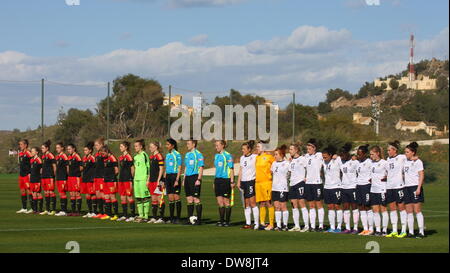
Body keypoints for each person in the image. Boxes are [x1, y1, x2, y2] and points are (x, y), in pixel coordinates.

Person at [385, 140, 408, 238]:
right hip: (389, 186)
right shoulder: (388, 159)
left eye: (389, 150)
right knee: (392, 209)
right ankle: (394, 230)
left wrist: (416, 157)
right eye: (387, 150)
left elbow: (411, 158)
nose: (388, 152)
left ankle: (403, 230)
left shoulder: (402, 157)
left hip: (399, 186)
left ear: (395, 150)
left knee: (401, 208)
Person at [403, 142, 425, 238]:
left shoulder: (418, 162)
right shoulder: (405, 160)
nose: (405, 154)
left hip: (415, 186)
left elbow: (421, 175)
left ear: (413, 152)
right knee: (409, 211)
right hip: (406, 187)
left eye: (407, 152)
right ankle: (411, 232)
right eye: (405, 152)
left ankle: (421, 232)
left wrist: (419, 188)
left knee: (417, 210)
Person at [368, 146, 389, 236]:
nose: (371, 156)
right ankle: (377, 229)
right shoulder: (371, 163)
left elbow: (391, 173)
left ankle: (384, 230)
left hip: (382, 189)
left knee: (383, 209)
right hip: (373, 189)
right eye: (370, 154)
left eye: (372, 154)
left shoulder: (384, 163)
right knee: (375, 210)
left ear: (378, 153)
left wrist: (387, 177)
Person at [304, 138, 325, 232]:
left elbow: (328, 158)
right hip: (308, 183)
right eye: (307, 147)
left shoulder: (319, 155)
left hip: (317, 183)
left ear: (314, 148)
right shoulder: (305, 157)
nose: (308, 149)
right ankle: (312, 226)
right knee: (311, 205)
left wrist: (334, 156)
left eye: (309, 147)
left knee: (319, 204)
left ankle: (320, 225)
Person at [287, 143, 309, 232]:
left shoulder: (302, 159)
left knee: (302, 204)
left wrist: (306, 178)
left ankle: (307, 226)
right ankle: (297, 226)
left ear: (296, 150)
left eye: (291, 149)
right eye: (289, 149)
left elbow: (308, 168)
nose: (290, 151)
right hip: (292, 184)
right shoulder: (291, 161)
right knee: (293, 205)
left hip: (300, 183)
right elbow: (289, 172)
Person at [237, 140, 258, 230]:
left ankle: (256, 223)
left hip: (251, 181)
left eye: (244, 149)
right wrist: (239, 181)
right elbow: (241, 170)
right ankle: (248, 223)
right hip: (244, 182)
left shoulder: (255, 157)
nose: (243, 150)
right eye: (242, 149)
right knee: (246, 203)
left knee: (252, 202)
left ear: (249, 149)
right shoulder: (242, 158)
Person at [182, 139, 204, 225]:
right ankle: (189, 219)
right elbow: (186, 167)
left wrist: (199, 179)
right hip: (187, 178)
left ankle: (199, 220)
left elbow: (201, 167)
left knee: (196, 198)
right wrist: (184, 178)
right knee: (189, 199)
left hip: (195, 177)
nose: (187, 145)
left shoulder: (198, 154)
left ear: (193, 144)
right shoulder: (187, 155)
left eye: (188, 143)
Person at [339, 143, 359, 234]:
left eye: (343, 154)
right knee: (345, 207)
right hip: (344, 187)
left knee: (354, 207)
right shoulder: (340, 161)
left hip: (353, 187)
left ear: (347, 154)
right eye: (340, 155)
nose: (341, 156)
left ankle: (355, 228)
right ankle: (347, 228)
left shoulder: (355, 162)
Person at [322, 145, 343, 233]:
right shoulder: (323, 162)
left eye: (326, 157)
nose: (324, 158)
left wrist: (337, 156)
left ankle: (339, 227)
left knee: (337, 206)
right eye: (323, 157)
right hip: (327, 187)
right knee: (330, 207)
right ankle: (332, 227)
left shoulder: (337, 160)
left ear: (330, 155)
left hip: (336, 187)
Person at [255, 141, 275, 231]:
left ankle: (271, 223)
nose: (257, 148)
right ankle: (262, 223)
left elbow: (276, 164)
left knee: (268, 202)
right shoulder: (257, 157)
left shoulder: (269, 157)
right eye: (257, 147)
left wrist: (271, 172)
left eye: (258, 147)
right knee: (261, 203)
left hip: (267, 183)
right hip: (258, 183)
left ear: (263, 148)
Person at [214, 140, 234, 227]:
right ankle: (221, 221)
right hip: (217, 180)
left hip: (226, 180)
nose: (216, 147)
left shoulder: (228, 156)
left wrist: (232, 181)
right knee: (219, 202)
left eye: (217, 145)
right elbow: (217, 169)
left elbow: (231, 169)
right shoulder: (216, 156)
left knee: (226, 201)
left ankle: (227, 221)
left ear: (222, 145)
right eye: (215, 145)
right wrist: (214, 181)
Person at [271, 145, 290, 231]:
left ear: (281, 155)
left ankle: (285, 225)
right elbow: (272, 173)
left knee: (283, 207)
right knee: (277, 206)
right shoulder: (274, 164)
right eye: (274, 154)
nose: (274, 156)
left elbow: (290, 174)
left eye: (276, 154)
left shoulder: (286, 163)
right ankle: (278, 225)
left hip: (283, 188)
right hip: (274, 188)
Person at [164, 138, 183, 224]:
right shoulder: (168, 155)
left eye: (168, 144)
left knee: (176, 197)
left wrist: (177, 179)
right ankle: (172, 218)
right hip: (168, 177)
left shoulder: (177, 154)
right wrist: (164, 179)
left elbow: (179, 168)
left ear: (173, 145)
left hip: (175, 176)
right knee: (170, 198)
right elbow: (166, 167)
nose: (166, 146)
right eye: (166, 144)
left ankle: (178, 218)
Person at [355, 144, 373, 235]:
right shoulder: (357, 162)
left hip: (366, 186)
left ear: (365, 154)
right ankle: (365, 229)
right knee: (361, 207)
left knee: (367, 206)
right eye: (357, 154)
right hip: (359, 186)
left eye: (360, 154)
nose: (358, 156)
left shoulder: (370, 162)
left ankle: (371, 229)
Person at [133, 139, 151, 223]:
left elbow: (148, 167)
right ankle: (140, 215)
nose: (135, 148)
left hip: (143, 179)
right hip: (136, 179)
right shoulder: (135, 157)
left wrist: (148, 179)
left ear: (141, 146)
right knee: (138, 197)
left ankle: (146, 216)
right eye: (134, 146)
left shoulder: (144, 155)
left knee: (145, 197)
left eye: (136, 146)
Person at [117, 141, 136, 222]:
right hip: (121, 179)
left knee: (129, 197)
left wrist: (131, 178)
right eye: (120, 146)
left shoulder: (129, 157)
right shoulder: (121, 157)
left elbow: (132, 168)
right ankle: (125, 215)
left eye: (121, 146)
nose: (120, 148)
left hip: (127, 180)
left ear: (126, 147)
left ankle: (132, 215)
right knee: (122, 197)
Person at [148, 142, 166, 224]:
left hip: (159, 181)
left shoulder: (159, 156)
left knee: (160, 199)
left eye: (151, 146)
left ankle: (161, 218)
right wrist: (148, 179)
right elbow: (150, 170)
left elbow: (161, 169)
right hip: (152, 180)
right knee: (153, 199)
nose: (150, 148)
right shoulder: (151, 157)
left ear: (156, 147)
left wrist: (159, 180)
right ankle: (154, 217)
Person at [100, 146, 119, 220]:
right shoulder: (105, 159)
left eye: (103, 153)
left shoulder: (112, 158)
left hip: (111, 180)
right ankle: (108, 214)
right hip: (106, 180)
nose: (102, 155)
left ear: (107, 151)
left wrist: (112, 178)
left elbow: (116, 170)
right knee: (106, 197)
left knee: (112, 197)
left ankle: (116, 215)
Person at [40, 140, 57, 216]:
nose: (42, 149)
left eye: (43, 148)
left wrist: (53, 175)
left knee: (51, 192)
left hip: (50, 176)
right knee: (46, 192)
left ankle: (53, 210)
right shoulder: (43, 156)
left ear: (47, 148)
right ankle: (47, 209)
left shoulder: (51, 155)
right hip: (44, 176)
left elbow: (54, 166)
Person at [92, 138, 107, 219]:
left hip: (102, 177)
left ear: (101, 145)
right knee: (97, 194)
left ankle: (105, 212)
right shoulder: (96, 154)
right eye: (95, 145)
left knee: (103, 194)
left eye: (97, 145)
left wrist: (104, 175)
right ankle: (100, 212)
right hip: (96, 177)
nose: (96, 147)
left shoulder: (104, 154)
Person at [81, 142, 97, 218]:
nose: (85, 151)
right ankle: (89, 211)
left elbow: (96, 168)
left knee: (92, 194)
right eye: (84, 150)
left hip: (91, 179)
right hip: (85, 178)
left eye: (86, 150)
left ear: (90, 150)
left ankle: (94, 212)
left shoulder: (92, 158)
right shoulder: (84, 158)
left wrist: (94, 177)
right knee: (87, 195)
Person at [16, 139, 32, 214]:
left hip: (27, 175)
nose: (20, 146)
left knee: (29, 190)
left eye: (21, 144)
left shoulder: (29, 153)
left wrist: (30, 173)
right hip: (21, 175)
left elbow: (32, 163)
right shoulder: (21, 153)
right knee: (22, 190)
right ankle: (24, 208)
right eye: (19, 144)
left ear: (25, 145)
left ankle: (32, 208)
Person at [67, 144, 82, 216]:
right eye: (68, 149)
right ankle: (73, 211)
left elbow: (81, 167)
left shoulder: (77, 156)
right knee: (71, 194)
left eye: (69, 149)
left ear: (74, 149)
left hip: (76, 177)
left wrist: (76, 173)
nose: (68, 150)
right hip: (70, 177)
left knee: (77, 194)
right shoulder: (69, 157)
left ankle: (78, 212)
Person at [55, 143, 69, 216]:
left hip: (63, 177)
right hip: (58, 177)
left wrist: (66, 176)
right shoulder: (57, 156)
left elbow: (67, 166)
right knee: (60, 193)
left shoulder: (64, 156)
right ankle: (62, 210)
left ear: (62, 148)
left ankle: (64, 211)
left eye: (58, 148)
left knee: (62, 193)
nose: (57, 149)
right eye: (56, 148)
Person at [29, 147, 43, 213]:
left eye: (32, 151)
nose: (31, 152)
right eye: (31, 151)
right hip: (32, 179)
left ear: (36, 152)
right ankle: (35, 209)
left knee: (38, 194)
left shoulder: (39, 160)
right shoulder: (31, 160)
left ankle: (40, 209)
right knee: (33, 194)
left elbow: (41, 170)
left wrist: (40, 178)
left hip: (37, 179)